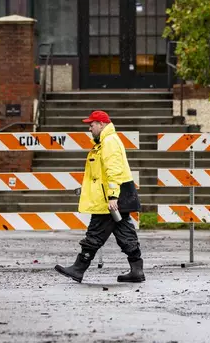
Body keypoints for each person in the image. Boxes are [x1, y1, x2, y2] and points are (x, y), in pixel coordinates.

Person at [54, 110, 145, 283]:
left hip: (110, 197)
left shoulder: (109, 142)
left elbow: (114, 170)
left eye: (92, 124)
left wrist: (112, 196)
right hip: (118, 194)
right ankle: (136, 270)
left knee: (95, 233)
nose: (89, 128)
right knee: (125, 232)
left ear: (101, 124)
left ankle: (78, 269)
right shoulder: (106, 141)